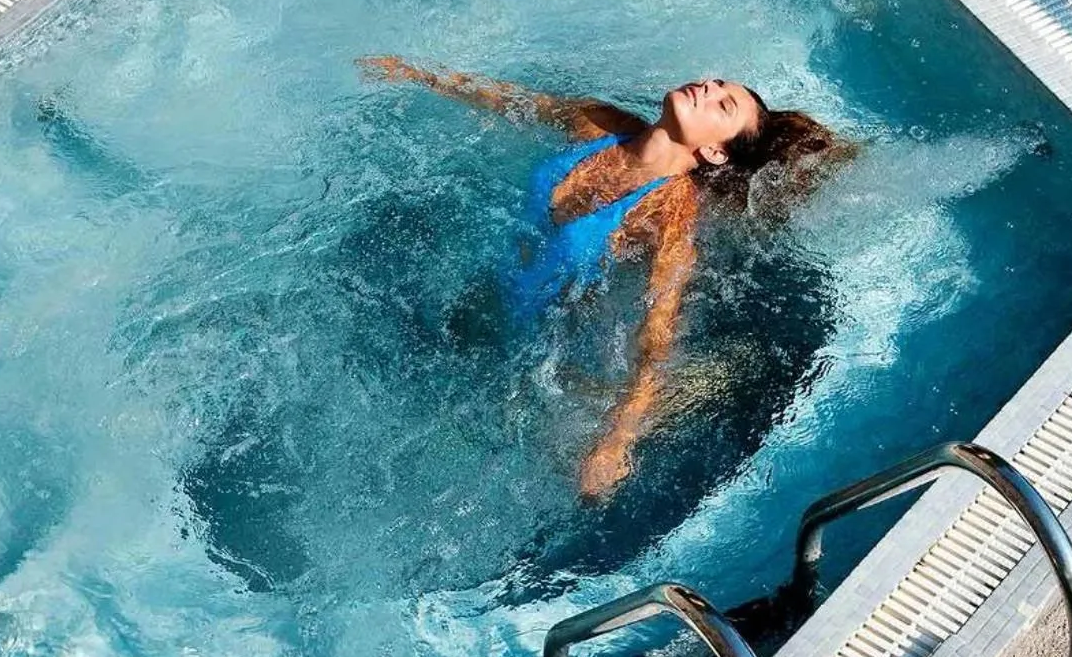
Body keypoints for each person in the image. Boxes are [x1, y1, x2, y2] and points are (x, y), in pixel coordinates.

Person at [358, 57, 845, 500]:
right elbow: (512, 102)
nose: (708, 86)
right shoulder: (598, 122)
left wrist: (616, 443)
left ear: (716, 153)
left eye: (724, 103)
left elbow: (656, 335)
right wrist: (417, 75)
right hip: (483, 292)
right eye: (717, 81)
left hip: (540, 341)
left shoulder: (671, 213)